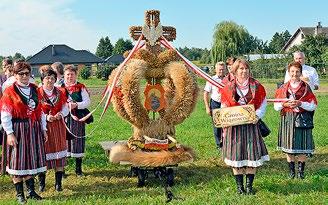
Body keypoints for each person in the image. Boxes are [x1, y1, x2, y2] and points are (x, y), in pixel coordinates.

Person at [220, 59, 269, 195]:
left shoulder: (257, 86)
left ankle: (249, 187)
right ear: (235, 71)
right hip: (234, 127)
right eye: (241, 69)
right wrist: (226, 119)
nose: (244, 71)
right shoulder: (227, 87)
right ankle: (240, 188)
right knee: (236, 157)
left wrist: (257, 116)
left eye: (246, 68)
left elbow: (263, 103)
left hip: (251, 126)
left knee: (251, 155)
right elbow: (223, 106)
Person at [1, 62, 47, 203]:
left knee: (30, 159)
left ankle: (31, 191)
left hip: (33, 128)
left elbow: (40, 112)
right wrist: (9, 133)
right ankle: (20, 194)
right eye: (21, 74)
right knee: (17, 160)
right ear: (15, 75)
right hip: (18, 129)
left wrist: (43, 129)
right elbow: (5, 114)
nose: (24, 76)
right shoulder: (10, 92)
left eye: (27, 73)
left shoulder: (35, 89)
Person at [275, 62, 317, 179]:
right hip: (287, 118)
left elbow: (313, 105)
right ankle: (292, 172)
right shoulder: (283, 87)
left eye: (297, 71)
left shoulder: (305, 87)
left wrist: (300, 103)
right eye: (292, 71)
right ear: (289, 72)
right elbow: (276, 106)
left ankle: (301, 173)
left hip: (302, 119)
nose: (295, 74)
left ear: (301, 72)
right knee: (289, 147)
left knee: (303, 146)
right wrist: (285, 103)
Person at [38, 69, 69, 192]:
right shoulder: (37, 93)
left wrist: (61, 114)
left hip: (58, 126)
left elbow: (66, 107)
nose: (50, 80)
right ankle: (42, 184)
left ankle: (58, 184)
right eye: (47, 78)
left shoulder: (60, 92)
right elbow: (36, 110)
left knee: (59, 152)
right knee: (43, 154)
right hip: (44, 127)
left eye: (52, 78)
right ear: (42, 80)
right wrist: (46, 117)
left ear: (55, 79)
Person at [63, 64, 91, 176]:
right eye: (68, 74)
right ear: (64, 75)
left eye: (72, 74)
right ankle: (62, 170)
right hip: (63, 118)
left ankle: (78, 170)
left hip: (77, 118)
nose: (70, 77)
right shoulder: (59, 87)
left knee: (77, 141)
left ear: (76, 75)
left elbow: (87, 102)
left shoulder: (81, 87)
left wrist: (76, 105)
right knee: (64, 143)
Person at [203, 61, 225, 150]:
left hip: (225, 104)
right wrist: (207, 107)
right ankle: (218, 145)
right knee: (217, 125)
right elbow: (205, 94)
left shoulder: (228, 79)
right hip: (215, 103)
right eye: (220, 69)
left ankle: (226, 143)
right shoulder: (211, 79)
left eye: (223, 69)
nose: (221, 71)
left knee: (226, 124)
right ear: (216, 70)